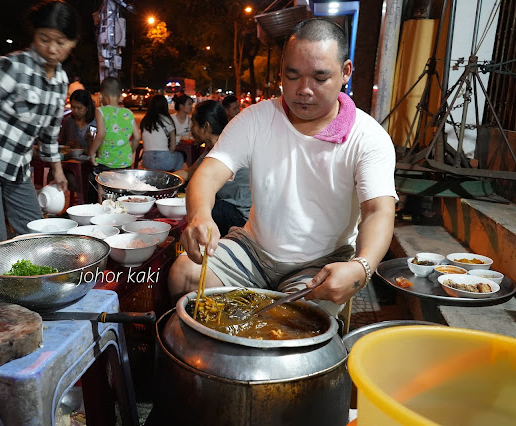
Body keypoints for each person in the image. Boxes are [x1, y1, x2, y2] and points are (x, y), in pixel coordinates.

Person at [168, 19, 397, 318]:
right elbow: (209, 173)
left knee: (294, 322)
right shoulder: (256, 119)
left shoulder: (367, 137)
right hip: (253, 249)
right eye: (293, 76)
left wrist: (361, 267)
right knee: (184, 274)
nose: (304, 90)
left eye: (319, 77)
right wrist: (200, 216)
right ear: (281, 74)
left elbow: (379, 210)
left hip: (320, 262)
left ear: (345, 72)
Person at [0, 0, 79, 242]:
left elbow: (49, 132)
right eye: (44, 39)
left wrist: (57, 170)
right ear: (34, 35)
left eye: (61, 42)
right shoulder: (10, 67)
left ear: (73, 42)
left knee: (35, 232)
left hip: (18, 168)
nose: (52, 49)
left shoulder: (61, 81)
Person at [175, 100, 251, 236]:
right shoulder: (213, 147)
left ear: (206, 127)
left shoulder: (225, 148)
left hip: (240, 216)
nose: (191, 129)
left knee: (195, 211)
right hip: (227, 206)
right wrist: (162, 180)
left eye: (193, 124)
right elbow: (190, 172)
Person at [88, 76, 140, 170]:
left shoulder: (100, 111)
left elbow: (100, 135)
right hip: (125, 163)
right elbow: (137, 137)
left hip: (106, 162)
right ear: (120, 96)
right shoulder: (128, 113)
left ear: (103, 96)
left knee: (103, 184)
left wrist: (91, 153)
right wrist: (130, 152)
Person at [141, 94, 183, 172]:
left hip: (147, 161)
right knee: (180, 156)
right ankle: (175, 180)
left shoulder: (145, 121)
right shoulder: (167, 120)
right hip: (164, 162)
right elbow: (173, 146)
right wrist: (167, 154)